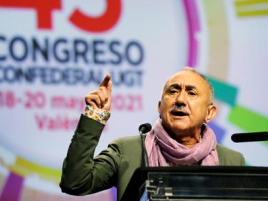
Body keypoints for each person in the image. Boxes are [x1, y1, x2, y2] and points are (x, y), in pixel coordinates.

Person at [60, 67, 245, 200]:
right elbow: (75, 182)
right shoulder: (127, 150)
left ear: (210, 113)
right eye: (173, 91)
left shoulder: (231, 161)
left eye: (191, 93)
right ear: (160, 107)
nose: (180, 99)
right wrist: (94, 117)